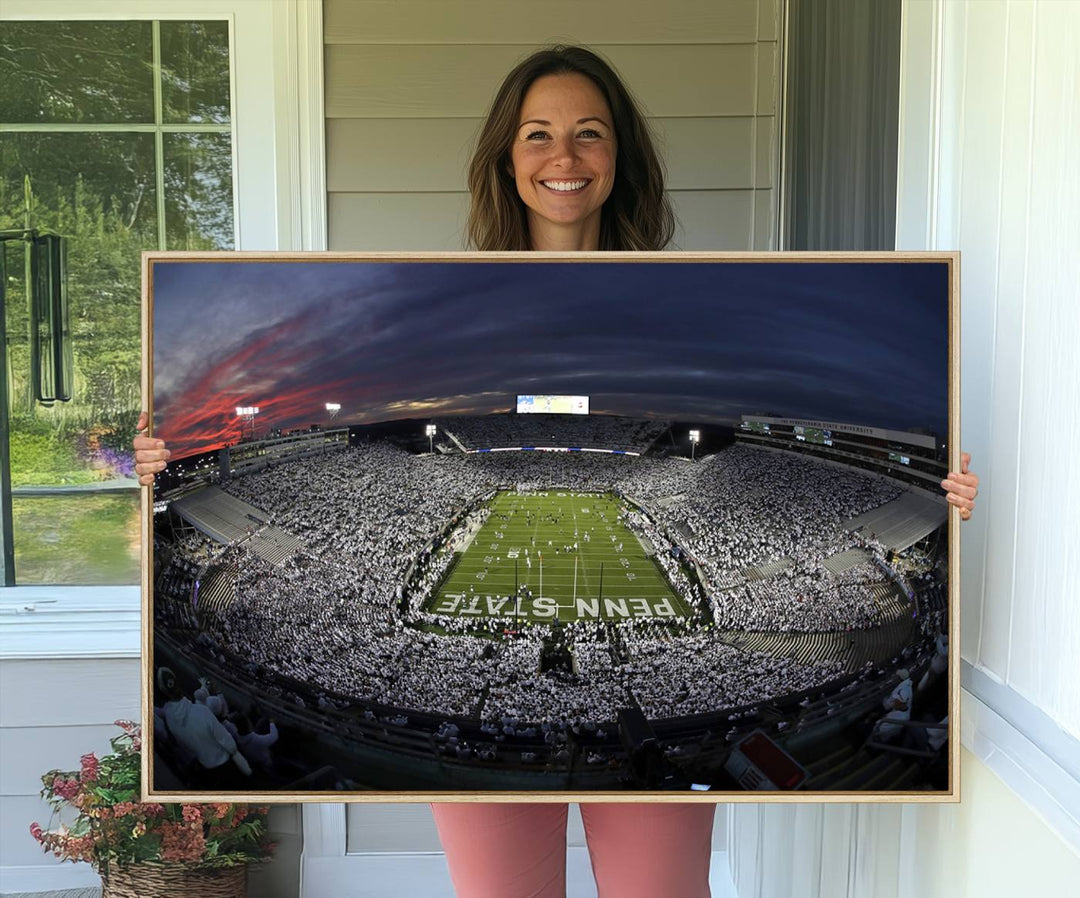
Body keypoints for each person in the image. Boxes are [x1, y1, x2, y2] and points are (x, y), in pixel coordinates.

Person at [134, 44, 980, 898]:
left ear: (621, 158)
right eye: (538, 134)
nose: (563, 157)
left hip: (642, 718)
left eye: (589, 133)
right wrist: (160, 457)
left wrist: (936, 489)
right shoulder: (444, 313)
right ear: (507, 157)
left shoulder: (684, 306)